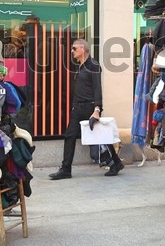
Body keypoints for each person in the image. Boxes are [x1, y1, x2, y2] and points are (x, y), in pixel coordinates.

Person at [49, 38, 124, 179]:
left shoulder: (93, 65)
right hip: (78, 108)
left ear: (83, 49)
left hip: (89, 107)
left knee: (102, 136)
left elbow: (97, 89)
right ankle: (66, 169)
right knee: (70, 136)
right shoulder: (81, 66)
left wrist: (97, 110)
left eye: (74, 48)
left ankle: (116, 162)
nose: (72, 51)